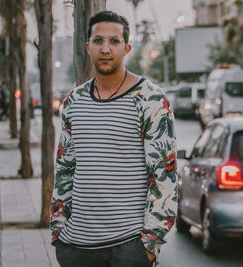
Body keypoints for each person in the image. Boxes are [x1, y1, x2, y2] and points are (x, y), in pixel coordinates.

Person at [50, 10, 177, 267]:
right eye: (98, 41)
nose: (105, 48)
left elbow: (164, 176)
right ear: (88, 47)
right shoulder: (74, 101)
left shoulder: (151, 99)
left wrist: (148, 247)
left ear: (126, 47)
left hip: (127, 248)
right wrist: (58, 231)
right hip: (75, 248)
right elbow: (65, 169)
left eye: (114, 41)